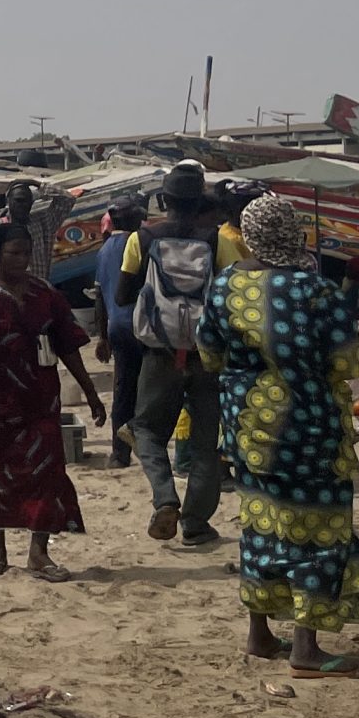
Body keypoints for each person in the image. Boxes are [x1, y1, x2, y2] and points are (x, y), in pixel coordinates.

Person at [200, 193, 359, 674]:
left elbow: (208, 352)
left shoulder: (224, 285)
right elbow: (347, 359)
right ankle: (305, 649)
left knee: (262, 521)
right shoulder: (315, 290)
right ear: (294, 233)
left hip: (245, 424)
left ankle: (260, 635)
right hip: (307, 428)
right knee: (318, 529)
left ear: (249, 236)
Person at [0, 225, 104, 582]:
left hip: (38, 397)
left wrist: (91, 393)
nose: (21, 260)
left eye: (25, 253)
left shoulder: (44, 293)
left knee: (46, 472)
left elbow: (68, 345)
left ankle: (39, 552)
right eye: (13, 253)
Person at [117, 161, 243, 548]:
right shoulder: (215, 240)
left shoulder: (143, 237)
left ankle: (165, 497)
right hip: (207, 353)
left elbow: (122, 295)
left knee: (145, 429)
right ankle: (195, 524)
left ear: (164, 199)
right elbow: (229, 294)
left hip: (159, 350)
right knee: (206, 442)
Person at [92, 193, 150, 467]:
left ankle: (119, 453)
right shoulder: (137, 243)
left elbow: (100, 297)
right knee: (152, 389)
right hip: (142, 325)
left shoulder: (103, 251)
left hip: (116, 327)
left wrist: (102, 335)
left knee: (123, 389)